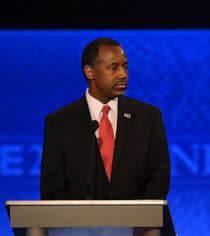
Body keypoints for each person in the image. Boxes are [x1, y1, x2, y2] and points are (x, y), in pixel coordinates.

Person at [40, 37, 170, 200]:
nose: (123, 74)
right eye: (113, 67)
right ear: (90, 72)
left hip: (136, 223)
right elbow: (52, 188)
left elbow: (160, 177)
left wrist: (137, 218)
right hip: (79, 224)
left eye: (125, 67)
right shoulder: (59, 123)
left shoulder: (148, 117)